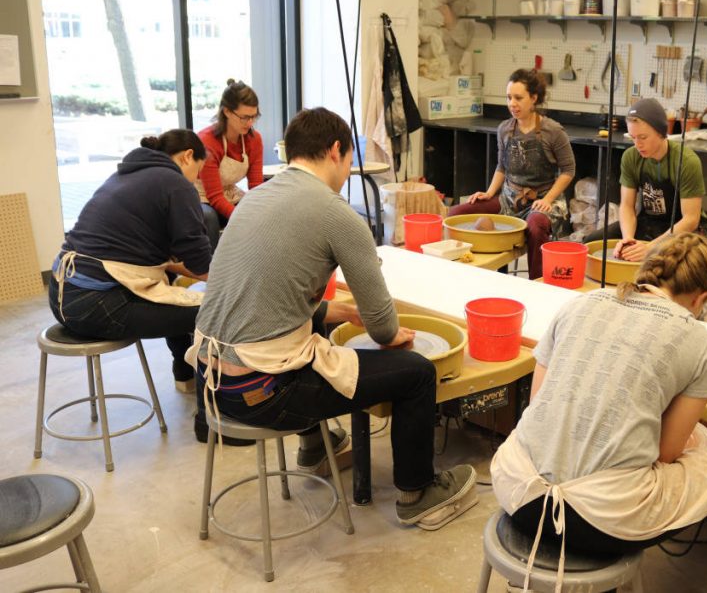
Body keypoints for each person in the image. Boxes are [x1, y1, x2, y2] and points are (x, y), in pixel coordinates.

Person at [185, 107, 477, 527]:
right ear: (338, 150)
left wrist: (338, 311)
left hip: (210, 382)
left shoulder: (256, 199)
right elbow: (383, 326)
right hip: (260, 392)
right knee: (416, 373)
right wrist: (388, 333)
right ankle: (419, 493)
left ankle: (316, 448)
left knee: (319, 326)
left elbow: (263, 296)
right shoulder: (337, 214)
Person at [490, 233, 707, 593]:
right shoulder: (697, 339)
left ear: (646, 272)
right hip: (599, 520)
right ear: (702, 297)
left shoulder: (580, 303)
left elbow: (540, 402)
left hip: (518, 489)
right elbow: (667, 452)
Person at [49, 130, 211, 394]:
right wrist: (233, 282)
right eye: (199, 171)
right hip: (97, 305)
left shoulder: (123, 176)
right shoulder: (176, 183)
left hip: (61, 293)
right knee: (215, 312)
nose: (197, 179)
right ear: (188, 156)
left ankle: (185, 376)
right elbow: (200, 261)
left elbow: (131, 251)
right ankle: (209, 415)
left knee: (170, 285)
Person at [448, 69, 575, 279]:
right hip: (509, 199)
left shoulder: (553, 131)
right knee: (456, 214)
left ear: (534, 98)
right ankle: (477, 275)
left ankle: (536, 283)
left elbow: (568, 170)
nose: (512, 104)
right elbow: (502, 167)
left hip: (543, 200)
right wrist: (489, 193)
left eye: (518, 98)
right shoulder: (505, 129)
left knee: (536, 224)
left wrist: (549, 200)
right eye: (509, 98)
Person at [585, 97, 707, 261]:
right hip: (648, 222)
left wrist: (650, 248)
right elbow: (627, 206)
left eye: (643, 137)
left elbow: (691, 219)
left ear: (661, 132)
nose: (637, 144)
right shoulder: (631, 157)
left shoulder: (686, 161)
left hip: (683, 230)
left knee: (666, 263)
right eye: (633, 137)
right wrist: (628, 239)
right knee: (590, 243)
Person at [196, 79, 265, 250]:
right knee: (209, 218)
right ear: (226, 111)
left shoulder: (254, 140)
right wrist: (242, 218)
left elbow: (256, 186)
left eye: (254, 117)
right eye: (244, 117)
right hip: (201, 195)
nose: (250, 123)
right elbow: (214, 196)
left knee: (262, 216)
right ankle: (212, 272)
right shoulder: (207, 141)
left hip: (229, 193)